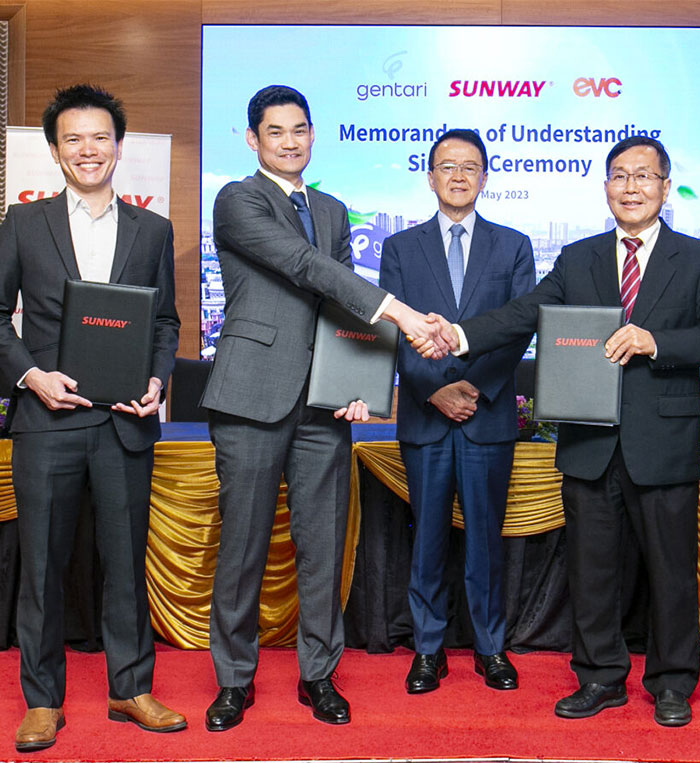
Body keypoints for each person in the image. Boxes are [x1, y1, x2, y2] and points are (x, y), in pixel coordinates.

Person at [420, 136, 700, 726]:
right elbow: (525, 313)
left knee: (670, 571)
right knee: (591, 570)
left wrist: (655, 342)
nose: (631, 187)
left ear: (666, 187)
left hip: (662, 443)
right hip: (589, 442)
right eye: (619, 176)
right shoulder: (579, 258)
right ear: (606, 187)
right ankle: (599, 678)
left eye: (644, 177)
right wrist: (459, 335)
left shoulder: (699, 260)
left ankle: (671, 683)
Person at [200, 85, 449, 730]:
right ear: (253, 140)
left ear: (313, 136)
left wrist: (357, 385)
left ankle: (319, 675)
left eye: (300, 130)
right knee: (243, 549)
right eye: (276, 131)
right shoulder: (237, 199)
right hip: (253, 396)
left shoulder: (334, 209)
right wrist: (396, 310)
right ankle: (233, 681)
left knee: (322, 546)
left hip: (323, 407)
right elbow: (305, 267)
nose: (290, 141)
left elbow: (340, 313)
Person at [0, 84, 184, 752]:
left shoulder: (153, 229)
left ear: (118, 146)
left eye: (100, 138)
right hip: (47, 421)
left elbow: (167, 321)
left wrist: (156, 379)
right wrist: (30, 374)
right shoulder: (23, 223)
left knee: (125, 564)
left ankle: (131, 688)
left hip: (124, 423)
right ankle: (41, 699)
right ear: (56, 151)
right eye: (74, 139)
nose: (88, 150)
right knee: (42, 568)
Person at [378, 129, 535, 694]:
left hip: (486, 415)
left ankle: (492, 649)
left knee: (485, 540)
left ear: (485, 177)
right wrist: (433, 391)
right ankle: (427, 650)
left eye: (470, 167)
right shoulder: (399, 249)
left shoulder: (513, 246)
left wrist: (471, 386)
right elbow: (393, 336)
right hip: (425, 416)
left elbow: (520, 328)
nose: (459, 176)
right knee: (427, 540)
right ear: (430, 177)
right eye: (448, 166)